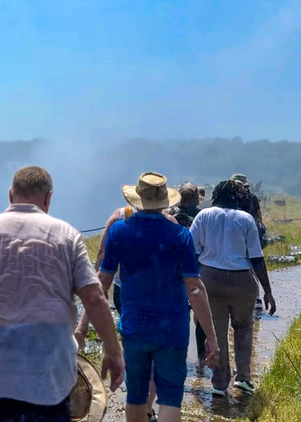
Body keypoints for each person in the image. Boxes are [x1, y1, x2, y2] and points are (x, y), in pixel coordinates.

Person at [0, 166, 125, 422]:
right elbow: (94, 297)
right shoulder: (66, 236)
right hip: (49, 371)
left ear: (10, 195)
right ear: (48, 198)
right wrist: (113, 351)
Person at [95, 172, 219, 422]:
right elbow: (195, 288)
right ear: (165, 201)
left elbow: (102, 282)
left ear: (138, 199)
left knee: (136, 396)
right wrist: (212, 338)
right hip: (172, 330)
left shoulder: (119, 231)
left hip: (135, 328)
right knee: (171, 397)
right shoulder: (180, 235)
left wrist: (83, 325)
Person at [75, 199, 178, 422]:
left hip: (127, 294)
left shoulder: (118, 218)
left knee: (136, 346)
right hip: (162, 299)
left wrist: (83, 324)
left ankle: (139, 401)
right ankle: (148, 408)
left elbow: (102, 257)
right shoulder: (170, 222)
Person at [190, 180, 277, 397]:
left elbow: (190, 250)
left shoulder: (204, 216)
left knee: (217, 331)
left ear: (217, 195)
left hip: (210, 279)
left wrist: (189, 285)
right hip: (242, 282)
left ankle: (219, 383)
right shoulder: (246, 219)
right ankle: (244, 379)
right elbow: (256, 258)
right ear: (239, 198)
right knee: (244, 328)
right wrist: (267, 291)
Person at [168, 183, 209, 368]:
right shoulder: (203, 217)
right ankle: (201, 357)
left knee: (181, 315)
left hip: (177, 273)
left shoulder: (172, 216)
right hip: (199, 270)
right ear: (195, 199)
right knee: (201, 316)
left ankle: (180, 355)